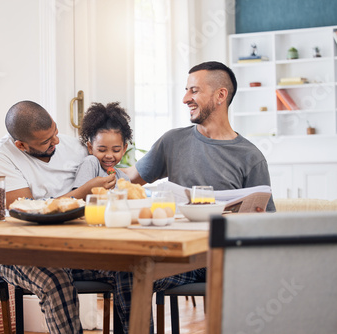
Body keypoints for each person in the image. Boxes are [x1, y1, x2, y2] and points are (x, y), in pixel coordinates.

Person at [116, 61, 276, 333]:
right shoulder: (172, 141)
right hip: (179, 259)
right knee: (129, 272)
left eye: (193, 91)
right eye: (186, 90)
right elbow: (129, 178)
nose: (185, 98)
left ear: (220, 95)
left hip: (224, 261)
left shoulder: (250, 157)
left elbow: (268, 223)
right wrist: (98, 168)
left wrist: (255, 220)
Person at [0, 100, 117, 334]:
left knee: (125, 268)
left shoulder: (72, 146)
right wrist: (83, 191)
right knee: (55, 281)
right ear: (21, 145)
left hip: (75, 248)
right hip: (23, 252)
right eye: (46, 141)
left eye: (54, 131)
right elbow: (25, 211)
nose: (56, 140)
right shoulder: (0, 157)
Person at [73, 102, 132, 189]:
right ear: (90, 147)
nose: (109, 156)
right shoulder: (91, 163)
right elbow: (79, 196)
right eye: (102, 150)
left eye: (116, 150)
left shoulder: (123, 179)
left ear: (124, 149)